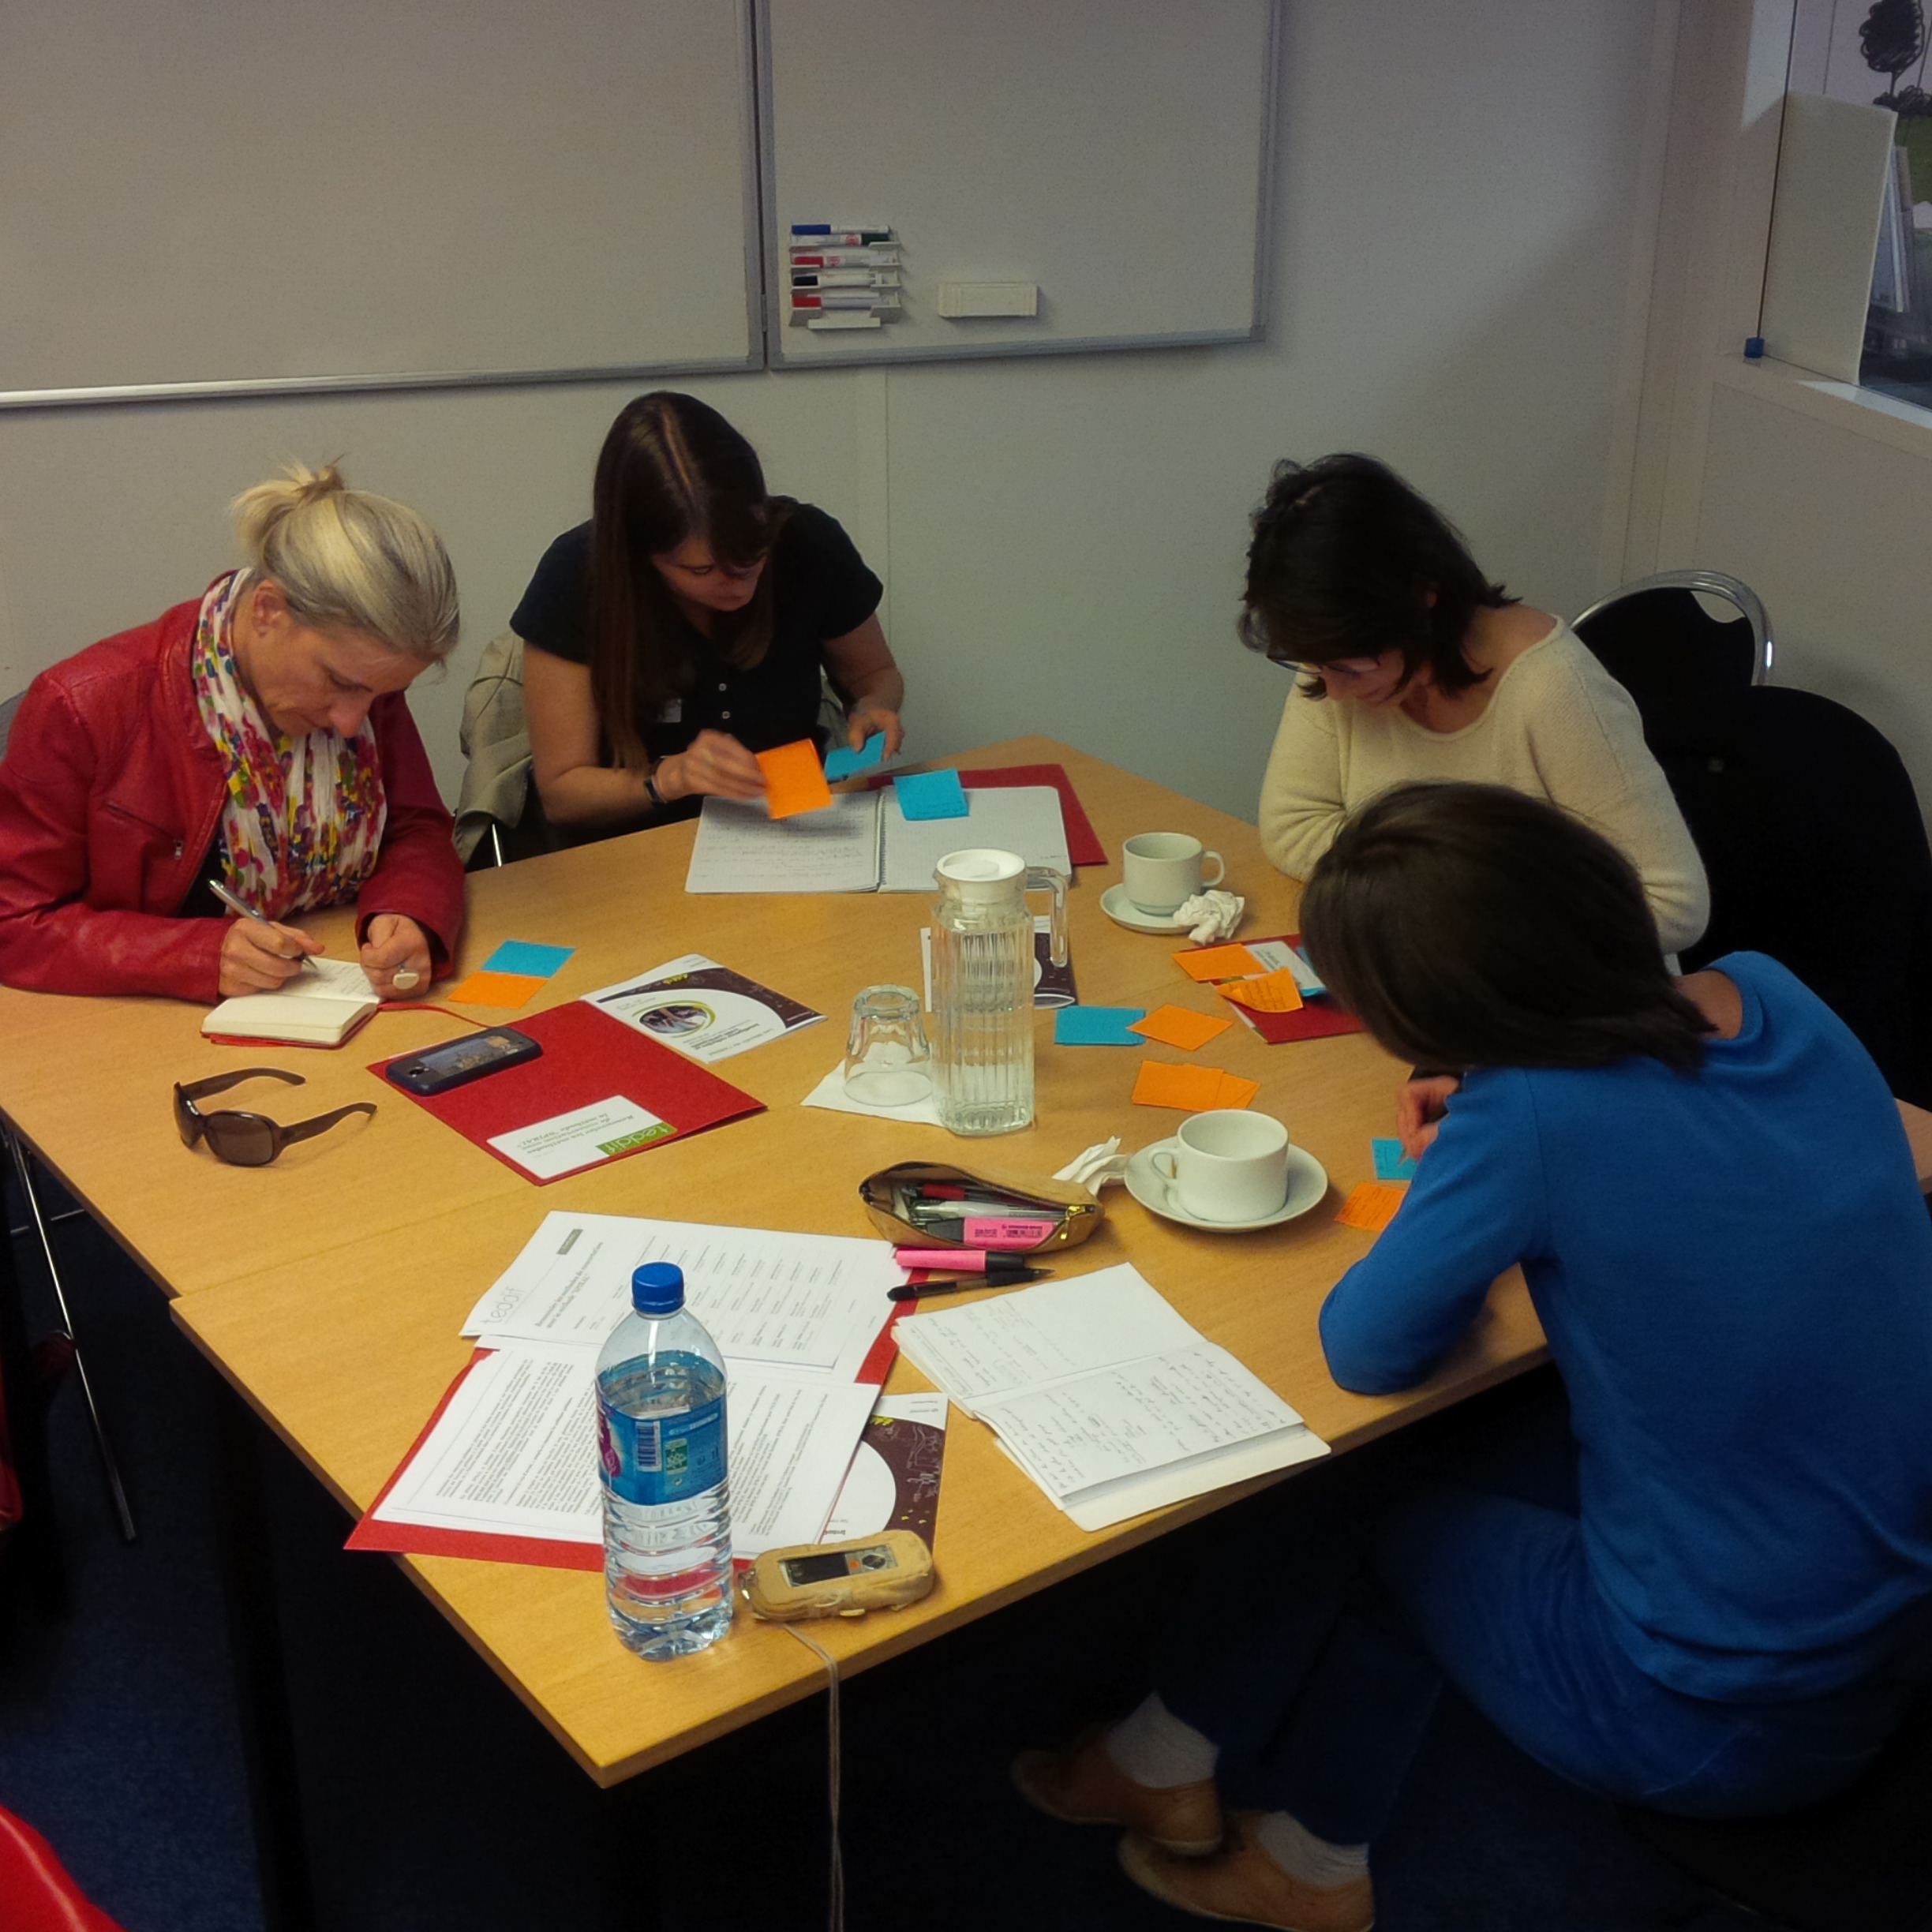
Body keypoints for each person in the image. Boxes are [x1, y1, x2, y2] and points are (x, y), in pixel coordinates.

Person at [1014, 784, 1932, 1932]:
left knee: (1365, 1491)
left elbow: (1367, 1348)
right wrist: (1502, 1128)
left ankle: (1297, 1858)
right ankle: (1169, 1759)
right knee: (1462, 1444)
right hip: (1882, 1621)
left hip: (1719, 1715)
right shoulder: (1773, 992)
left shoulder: (1534, 1115)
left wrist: (1476, 1157)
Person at [0, 466, 465, 1002]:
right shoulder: (82, 704)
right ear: (267, 610)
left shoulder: (363, 686)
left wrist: (409, 911)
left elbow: (416, 829)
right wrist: (196, 955)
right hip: (136, 1018)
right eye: (339, 683)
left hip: (325, 992)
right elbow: (15, 922)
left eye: (380, 695)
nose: (350, 722)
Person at [1245, 453, 1709, 957]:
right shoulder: (1341, 659)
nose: (1333, 691)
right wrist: (1449, 895)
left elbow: (1672, 906)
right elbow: (1294, 828)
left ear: (1422, 595)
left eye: (1348, 667)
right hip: (1432, 965)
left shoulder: (1552, 688)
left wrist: (1446, 903)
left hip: (1561, 987)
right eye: (1316, 666)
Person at [512, 391, 903, 840]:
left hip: (790, 823)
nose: (739, 585)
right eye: (702, 570)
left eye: (753, 557)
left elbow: (875, 674)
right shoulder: (577, 574)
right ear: (641, 555)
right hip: (636, 845)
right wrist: (671, 778)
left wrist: (873, 708)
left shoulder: (808, 542)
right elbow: (562, 794)